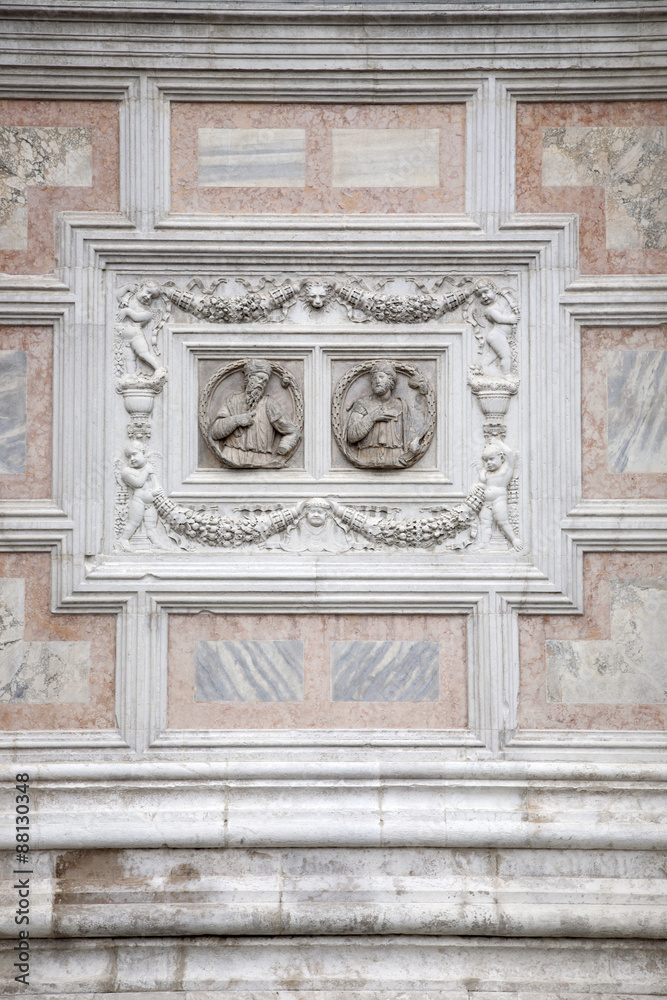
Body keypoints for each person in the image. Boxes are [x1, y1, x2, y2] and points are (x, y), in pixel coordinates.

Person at [209, 359, 300, 468]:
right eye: (259, 378)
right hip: (231, 456)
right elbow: (215, 432)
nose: (262, 383)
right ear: (248, 378)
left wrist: (283, 447)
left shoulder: (269, 404)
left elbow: (292, 431)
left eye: (265, 381)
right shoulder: (232, 401)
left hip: (261, 459)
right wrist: (237, 420)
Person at [345, 360, 419, 468]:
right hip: (366, 457)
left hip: (396, 458)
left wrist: (414, 445)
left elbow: (409, 436)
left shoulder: (401, 405)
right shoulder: (362, 404)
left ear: (391, 380)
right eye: (374, 378)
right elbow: (351, 436)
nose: (377, 381)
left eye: (381, 377)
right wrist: (371, 417)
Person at [118, 443, 164, 551]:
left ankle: (156, 543)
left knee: (151, 526)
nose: (132, 459)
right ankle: (123, 539)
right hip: (138, 502)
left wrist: (156, 490)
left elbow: (155, 482)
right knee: (134, 523)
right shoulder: (127, 472)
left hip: (150, 503)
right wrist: (146, 471)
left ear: (143, 453)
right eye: (129, 457)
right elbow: (138, 484)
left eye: (134, 454)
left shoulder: (149, 467)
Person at [477, 439, 522, 550]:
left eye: (491, 459)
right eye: (486, 461)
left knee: (502, 521)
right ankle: (484, 543)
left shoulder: (505, 470)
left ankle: (513, 539)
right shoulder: (488, 472)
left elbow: (510, 454)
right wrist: (481, 473)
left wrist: (497, 442)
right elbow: (483, 483)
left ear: (501, 458)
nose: (488, 463)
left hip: (499, 500)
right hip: (486, 502)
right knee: (484, 522)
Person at [471, 280, 519, 377]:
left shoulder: (501, 302)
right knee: (506, 355)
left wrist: (506, 294)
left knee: (492, 356)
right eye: (480, 295)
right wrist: (510, 319)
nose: (483, 296)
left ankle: (482, 368)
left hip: (498, 336)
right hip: (497, 335)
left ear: (494, 289)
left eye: (486, 292)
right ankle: (507, 375)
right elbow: (499, 319)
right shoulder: (489, 310)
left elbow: (514, 300)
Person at [116, 281, 164, 375]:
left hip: (136, 336)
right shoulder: (128, 298)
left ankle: (158, 369)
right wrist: (127, 287)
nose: (148, 297)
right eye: (148, 292)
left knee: (143, 353)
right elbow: (118, 295)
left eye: (152, 297)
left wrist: (128, 312)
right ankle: (131, 376)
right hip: (124, 338)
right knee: (129, 357)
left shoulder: (147, 312)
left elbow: (137, 318)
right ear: (140, 288)